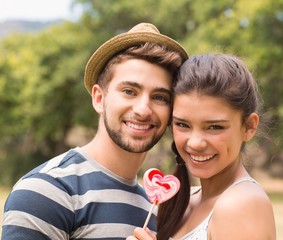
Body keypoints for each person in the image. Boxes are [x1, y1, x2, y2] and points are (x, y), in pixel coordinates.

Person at [1, 23, 188, 240]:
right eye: (129, 91)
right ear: (99, 99)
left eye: (160, 97)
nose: (143, 109)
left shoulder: (156, 208)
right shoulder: (46, 191)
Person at [128, 53, 276, 240]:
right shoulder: (188, 200)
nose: (195, 143)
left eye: (214, 127)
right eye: (182, 124)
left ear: (249, 126)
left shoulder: (241, 205)